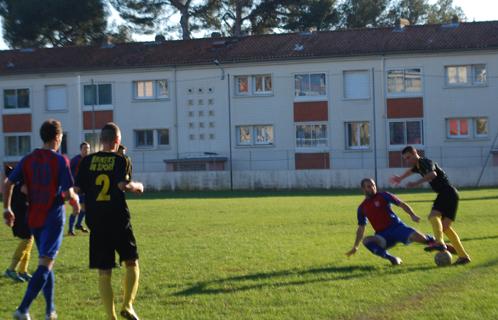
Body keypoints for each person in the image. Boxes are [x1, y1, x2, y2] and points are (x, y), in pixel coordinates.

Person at [3, 119, 80, 320]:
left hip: (34, 218)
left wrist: (7, 208)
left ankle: (49, 311)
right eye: (61, 137)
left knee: (46, 262)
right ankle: (23, 309)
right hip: (52, 218)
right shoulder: (60, 160)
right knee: (45, 263)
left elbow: (8, 182)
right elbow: (67, 193)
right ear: (57, 137)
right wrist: (76, 201)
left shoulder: (28, 159)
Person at [75, 122, 144, 320]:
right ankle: (128, 305)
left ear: (101, 141)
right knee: (131, 261)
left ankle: (111, 317)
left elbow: (77, 189)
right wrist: (138, 186)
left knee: (104, 272)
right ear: (117, 141)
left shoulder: (87, 161)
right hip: (118, 219)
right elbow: (124, 185)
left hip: (96, 222)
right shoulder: (121, 159)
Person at [390, 146, 471, 265]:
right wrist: (400, 178)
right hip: (451, 194)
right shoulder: (418, 165)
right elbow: (411, 171)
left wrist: (416, 183)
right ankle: (463, 256)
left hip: (446, 192)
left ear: (415, 153)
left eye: (409, 157)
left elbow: (433, 174)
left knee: (433, 216)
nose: (408, 160)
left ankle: (439, 243)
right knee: (446, 228)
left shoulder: (425, 162)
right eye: (406, 159)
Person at [346, 178, 441, 265]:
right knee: (366, 241)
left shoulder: (383, 195)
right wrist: (356, 246)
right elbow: (361, 228)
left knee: (421, 239)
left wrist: (412, 215)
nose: (373, 188)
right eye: (369, 186)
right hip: (383, 235)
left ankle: (439, 244)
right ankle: (392, 259)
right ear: (363, 189)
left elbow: (401, 204)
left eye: (373, 185)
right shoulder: (362, 208)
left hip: (397, 227)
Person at [3, 165, 34, 283]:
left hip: (23, 216)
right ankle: (11, 269)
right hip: (21, 217)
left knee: (29, 241)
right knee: (27, 240)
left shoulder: (16, 183)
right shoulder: (21, 183)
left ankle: (23, 270)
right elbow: (29, 192)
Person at [67, 142, 91, 235]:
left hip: (85, 189)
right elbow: (67, 171)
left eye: (88, 148)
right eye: (85, 148)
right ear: (81, 149)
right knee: (76, 209)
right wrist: (71, 185)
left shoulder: (90, 160)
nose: (87, 150)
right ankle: (70, 230)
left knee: (84, 209)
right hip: (75, 189)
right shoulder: (75, 160)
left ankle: (78, 224)